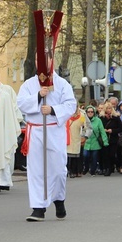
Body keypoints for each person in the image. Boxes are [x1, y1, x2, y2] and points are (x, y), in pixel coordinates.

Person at [17, 71, 77, 222]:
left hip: (54, 129)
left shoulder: (62, 84)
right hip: (36, 129)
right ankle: (38, 208)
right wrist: (37, 96)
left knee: (58, 170)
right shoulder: (29, 84)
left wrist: (53, 110)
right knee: (36, 169)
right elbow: (21, 103)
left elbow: (70, 105)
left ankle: (59, 199)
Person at [82, 106, 107, 175]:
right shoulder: (83, 119)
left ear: (94, 112)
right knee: (85, 155)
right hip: (86, 142)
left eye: (92, 112)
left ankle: (93, 170)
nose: (90, 113)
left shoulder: (98, 120)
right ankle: (86, 167)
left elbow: (102, 131)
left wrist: (105, 141)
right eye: (88, 112)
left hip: (95, 142)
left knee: (94, 158)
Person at [100, 103, 122, 176]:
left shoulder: (116, 117)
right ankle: (106, 169)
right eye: (107, 108)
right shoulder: (102, 118)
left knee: (112, 154)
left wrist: (112, 130)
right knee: (105, 154)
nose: (109, 110)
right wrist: (103, 130)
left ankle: (111, 167)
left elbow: (120, 128)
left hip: (113, 138)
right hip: (104, 138)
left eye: (110, 108)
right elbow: (99, 127)